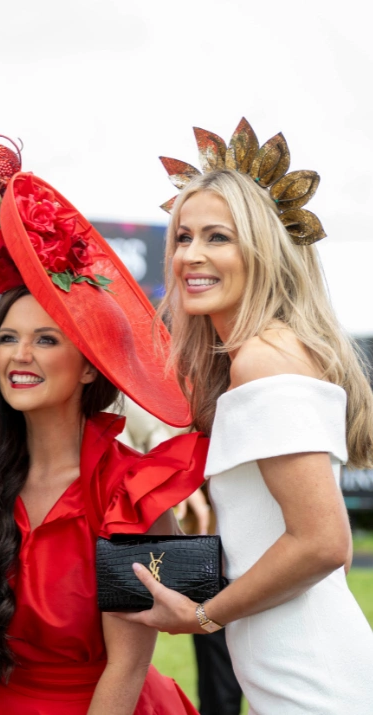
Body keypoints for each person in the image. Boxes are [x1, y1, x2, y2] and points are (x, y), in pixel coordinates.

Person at [0, 143, 209, 714]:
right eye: (8, 338)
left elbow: (127, 663)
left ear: (90, 363)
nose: (20, 355)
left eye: (47, 339)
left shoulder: (129, 490)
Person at [117, 118, 373, 713]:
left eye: (217, 237)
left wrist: (203, 616)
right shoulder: (260, 353)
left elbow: (323, 542)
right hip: (304, 672)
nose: (191, 256)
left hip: (314, 682)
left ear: (260, 249)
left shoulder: (263, 357)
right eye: (182, 238)